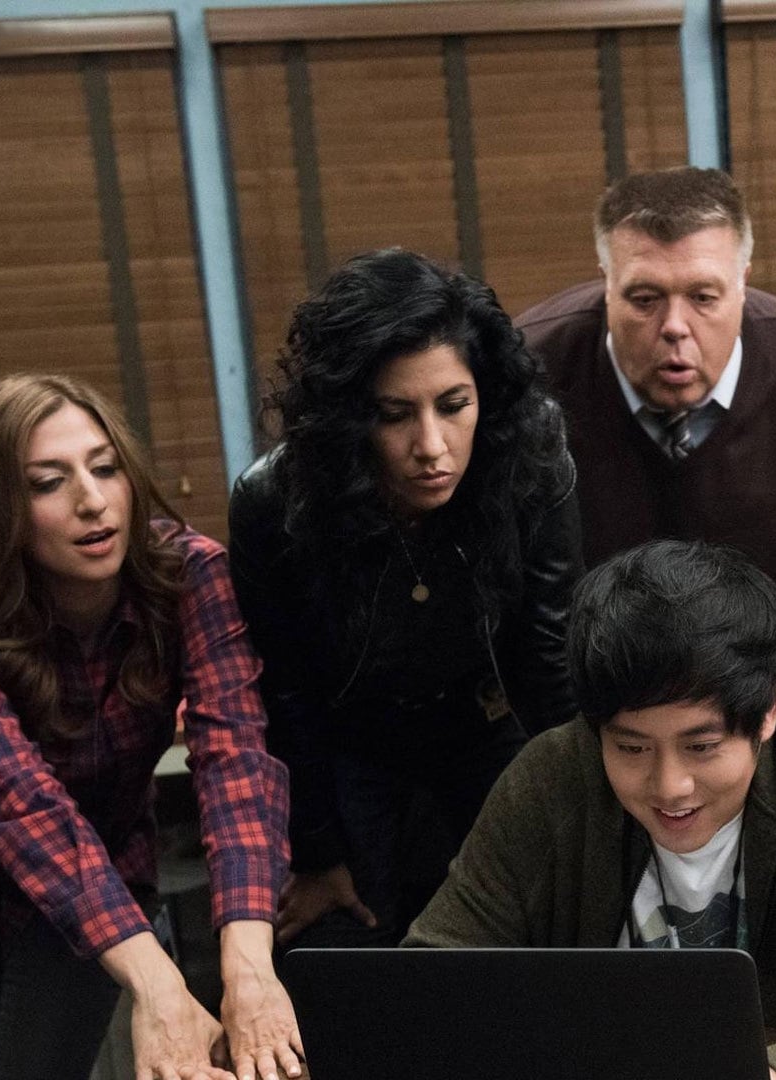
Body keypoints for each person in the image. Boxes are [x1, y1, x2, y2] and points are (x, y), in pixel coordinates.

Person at [406, 540, 776, 1080]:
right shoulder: (551, 778)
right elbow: (430, 979)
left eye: (702, 747)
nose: (670, 787)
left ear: (767, 713)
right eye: (631, 748)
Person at [0, 374, 298, 1080]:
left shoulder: (189, 575)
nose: (93, 501)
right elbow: (14, 797)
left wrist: (249, 968)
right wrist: (161, 987)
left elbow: (234, 760)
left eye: (106, 467)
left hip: (96, 866)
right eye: (48, 483)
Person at [228, 249, 581, 952]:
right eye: (394, 415)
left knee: (538, 929)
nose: (431, 446)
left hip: (488, 721)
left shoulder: (528, 453)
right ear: (347, 419)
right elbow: (288, 693)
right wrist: (317, 852)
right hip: (352, 743)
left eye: (454, 406)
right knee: (351, 940)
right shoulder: (273, 500)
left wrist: (588, 810)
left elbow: (548, 652)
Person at [516, 167, 776, 703]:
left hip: (764, 703)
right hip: (579, 702)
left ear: (743, 283)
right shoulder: (528, 379)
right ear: (606, 284)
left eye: (703, 297)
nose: (675, 326)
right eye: (644, 299)